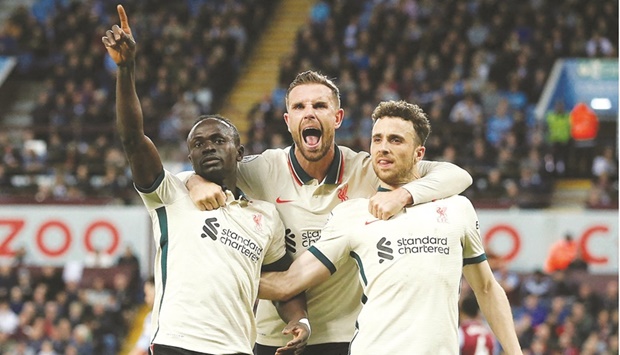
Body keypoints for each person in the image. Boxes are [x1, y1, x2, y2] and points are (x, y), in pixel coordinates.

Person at [186, 71, 473, 354]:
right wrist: (194, 181)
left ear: (337, 118)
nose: (309, 114)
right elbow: (202, 167)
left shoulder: (366, 169)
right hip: (275, 338)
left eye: (320, 106)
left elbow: (457, 175)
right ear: (288, 121)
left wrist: (404, 194)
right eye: (299, 107)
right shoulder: (262, 168)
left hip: (343, 336)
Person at [101, 5, 309, 354]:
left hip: (237, 348)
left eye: (218, 140)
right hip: (176, 344)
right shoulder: (170, 193)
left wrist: (299, 319)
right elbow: (133, 138)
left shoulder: (266, 216)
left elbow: (283, 283)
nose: (208, 147)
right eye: (198, 143)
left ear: (240, 152)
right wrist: (126, 69)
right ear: (189, 156)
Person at [258, 100, 522, 354]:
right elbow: (289, 283)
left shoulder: (457, 209)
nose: (383, 147)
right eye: (377, 139)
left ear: (419, 153)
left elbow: (486, 288)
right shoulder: (352, 214)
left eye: (395, 140)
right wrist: (224, 275)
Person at [129, 277, 155, 355]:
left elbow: (142, 347)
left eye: (147, 294)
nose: (146, 299)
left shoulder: (153, 318)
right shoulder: (150, 317)